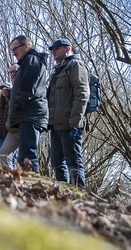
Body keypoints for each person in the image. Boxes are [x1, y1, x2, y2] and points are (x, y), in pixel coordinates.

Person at [48, 38, 89, 188]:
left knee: (74, 162)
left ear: (68, 49)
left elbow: (82, 93)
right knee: (57, 163)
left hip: (71, 124)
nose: (53, 51)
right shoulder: (58, 69)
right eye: (52, 49)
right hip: (56, 125)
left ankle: (80, 196)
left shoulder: (75, 65)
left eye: (57, 48)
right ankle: (63, 195)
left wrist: (76, 119)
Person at [8, 35, 48, 173]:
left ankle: (36, 189)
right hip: (26, 114)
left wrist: (17, 105)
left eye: (15, 49)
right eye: (12, 50)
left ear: (26, 46)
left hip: (30, 114)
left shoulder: (32, 60)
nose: (14, 53)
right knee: (23, 157)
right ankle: (28, 188)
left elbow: (28, 88)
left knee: (28, 157)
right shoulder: (26, 62)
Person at [0, 64, 19, 168]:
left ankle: (21, 180)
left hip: (20, 129)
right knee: (0, 156)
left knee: (20, 158)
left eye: (7, 88)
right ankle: (8, 178)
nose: (4, 90)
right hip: (5, 134)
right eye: (2, 88)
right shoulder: (0, 106)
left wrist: (10, 95)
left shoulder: (17, 92)